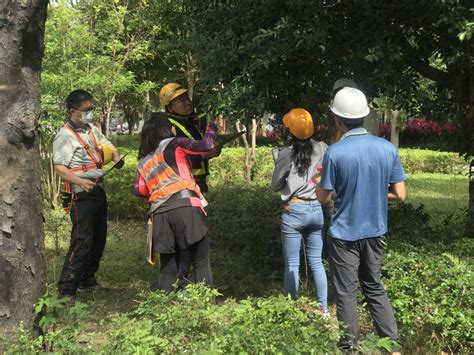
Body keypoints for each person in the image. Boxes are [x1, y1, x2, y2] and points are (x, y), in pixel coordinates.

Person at [315, 87, 406, 352]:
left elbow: (324, 197)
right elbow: (399, 194)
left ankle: (350, 349)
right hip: (375, 231)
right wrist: (375, 190)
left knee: (346, 293)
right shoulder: (387, 148)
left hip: (344, 235)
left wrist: (318, 183)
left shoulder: (335, 152)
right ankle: (393, 348)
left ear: (337, 119)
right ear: (364, 117)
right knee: (374, 286)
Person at [53, 89, 123, 298]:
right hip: (80, 193)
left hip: (97, 189)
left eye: (92, 108)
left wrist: (117, 157)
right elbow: (60, 167)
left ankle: (87, 280)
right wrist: (81, 183)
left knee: (99, 237)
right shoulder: (64, 135)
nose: (90, 112)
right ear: (73, 111)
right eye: (87, 110)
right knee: (82, 239)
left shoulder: (92, 129)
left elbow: (108, 147)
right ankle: (66, 289)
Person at [134, 112, 215, 291]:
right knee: (200, 262)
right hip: (187, 207)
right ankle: (207, 305)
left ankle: (165, 308)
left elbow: (139, 189)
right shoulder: (175, 143)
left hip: (160, 214)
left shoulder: (143, 160)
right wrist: (212, 127)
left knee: (168, 268)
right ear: (168, 128)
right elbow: (208, 145)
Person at [159, 83, 221, 287]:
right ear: (169, 106)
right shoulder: (169, 126)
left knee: (193, 237)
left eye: (187, 98)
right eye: (180, 100)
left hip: (196, 186)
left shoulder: (190, 122)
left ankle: (183, 283)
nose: (187, 102)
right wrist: (208, 151)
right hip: (183, 188)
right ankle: (182, 283)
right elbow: (177, 157)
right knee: (189, 238)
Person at [271, 108, 328, 314]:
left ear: (290, 131)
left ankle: (291, 309)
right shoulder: (323, 148)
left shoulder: (284, 153)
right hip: (317, 209)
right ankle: (323, 309)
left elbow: (276, 184)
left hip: (293, 209)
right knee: (316, 262)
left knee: (292, 264)